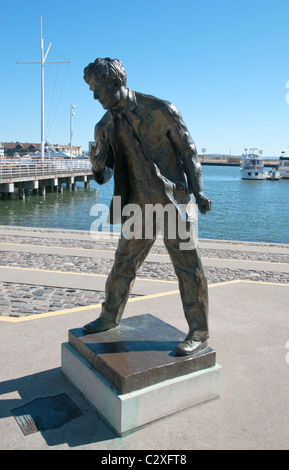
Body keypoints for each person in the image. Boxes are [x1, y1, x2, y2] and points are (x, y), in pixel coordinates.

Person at [83, 57, 212, 356]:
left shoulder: (161, 110)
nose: (94, 96)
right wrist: (96, 165)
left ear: (116, 83)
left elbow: (188, 151)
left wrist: (199, 191)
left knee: (188, 267)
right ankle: (108, 316)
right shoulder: (103, 126)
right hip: (138, 204)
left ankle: (199, 330)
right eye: (91, 89)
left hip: (173, 201)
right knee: (123, 263)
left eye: (97, 88)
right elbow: (104, 176)